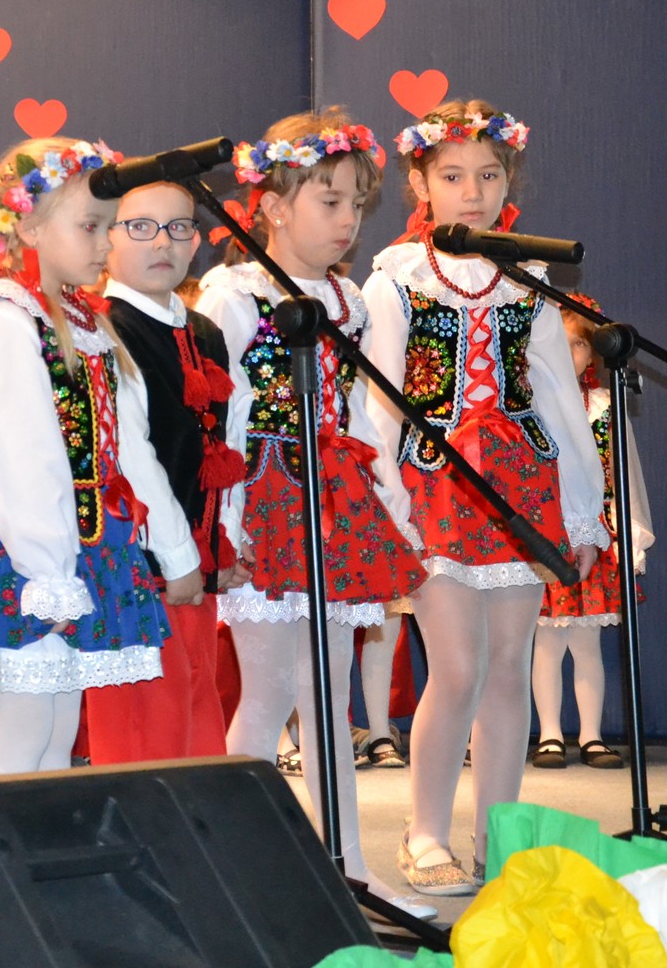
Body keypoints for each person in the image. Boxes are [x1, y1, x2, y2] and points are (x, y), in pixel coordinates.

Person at [362, 100, 604, 895]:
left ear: (509, 182)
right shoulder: (398, 278)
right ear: (420, 183)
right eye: (453, 175)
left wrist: (582, 510)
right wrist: (385, 502)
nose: (472, 192)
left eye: (488, 175)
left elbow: (559, 397)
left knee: (507, 666)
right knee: (458, 665)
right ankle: (425, 832)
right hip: (432, 482)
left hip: (519, 482)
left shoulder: (526, 281)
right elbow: (379, 400)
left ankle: (499, 836)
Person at [197, 113, 430, 916]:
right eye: (329, 201)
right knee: (265, 694)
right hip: (264, 498)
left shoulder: (347, 299)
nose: (346, 220)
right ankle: (234, 868)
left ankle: (349, 863)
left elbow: (357, 412)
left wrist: (391, 501)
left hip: (334, 500)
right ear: (271, 205)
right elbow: (226, 417)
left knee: (329, 697)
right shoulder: (234, 294)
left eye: (356, 205)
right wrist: (227, 526)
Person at [0, 137, 202, 775]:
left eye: (109, 226)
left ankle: (45, 838)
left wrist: (175, 549)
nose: (105, 242)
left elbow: (127, 446)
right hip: (29, 552)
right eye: (91, 226)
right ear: (30, 226)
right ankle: (2, 841)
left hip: (90, 543)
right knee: (26, 727)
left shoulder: (82, 318)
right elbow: (24, 459)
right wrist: (48, 578)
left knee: (60, 728)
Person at [91, 179, 245, 765]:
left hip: (196, 560)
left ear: (197, 241)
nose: (163, 242)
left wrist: (223, 541)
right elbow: (131, 454)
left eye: (179, 227)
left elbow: (224, 444)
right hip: (141, 561)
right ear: (106, 237)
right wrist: (177, 554)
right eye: (140, 227)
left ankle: (195, 816)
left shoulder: (202, 330)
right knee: (147, 720)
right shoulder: (106, 328)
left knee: (198, 700)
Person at [531, 301, 653, 770]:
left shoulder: (604, 408)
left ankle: (591, 735)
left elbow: (623, 478)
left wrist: (628, 536)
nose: (570, 353)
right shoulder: (532, 405)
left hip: (595, 541)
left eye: (579, 344)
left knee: (586, 643)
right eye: (560, 344)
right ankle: (549, 733)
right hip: (548, 538)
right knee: (547, 643)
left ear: (593, 353)